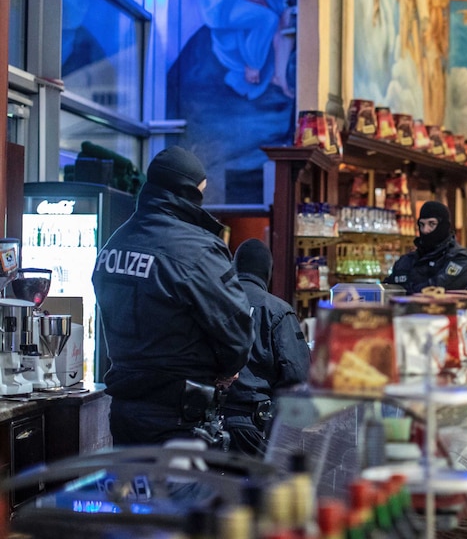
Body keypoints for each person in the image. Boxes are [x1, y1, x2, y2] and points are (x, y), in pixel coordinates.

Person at [92, 146, 255, 446]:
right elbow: (236, 331)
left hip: (124, 411)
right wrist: (226, 370)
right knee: (180, 492)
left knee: (134, 491)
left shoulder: (114, 244)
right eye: (201, 192)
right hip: (179, 417)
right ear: (187, 192)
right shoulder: (197, 249)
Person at [222, 238, 311, 457]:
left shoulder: (214, 301)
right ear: (267, 272)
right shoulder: (277, 311)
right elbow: (298, 375)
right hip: (255, 427)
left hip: (211, 424)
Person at [384, 201, 467, 294]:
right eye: (422, 224)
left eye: (432, 224)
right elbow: (386, 288)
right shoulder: (406, 261)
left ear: (444, 226)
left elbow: (433, 289)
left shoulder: (459, 259)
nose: (425, 230)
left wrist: (405, 290)